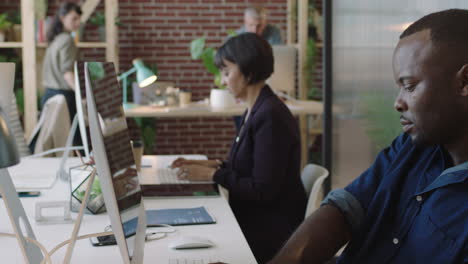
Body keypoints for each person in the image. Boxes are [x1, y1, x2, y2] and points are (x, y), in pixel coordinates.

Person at [269, 9, 468, 264]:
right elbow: (344, 209)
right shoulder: (412, 146)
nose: (398, 103)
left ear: (464, 82)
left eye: (409, 86)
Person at [171, 33, 307, 263]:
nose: (223, 81)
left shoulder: (270, 116)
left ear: (248, 72)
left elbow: (262, 190)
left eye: (227, 72)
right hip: (254, 218)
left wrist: (213, 174)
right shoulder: (255, 109)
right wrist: (209, 165)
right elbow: (250, 168)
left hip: (268, 230)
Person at [42, 2, 81, 122]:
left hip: (49, 96)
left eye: (79, 19)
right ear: (62, 18)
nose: (78, 22)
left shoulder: (55, 39)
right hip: (64, 99)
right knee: (73, 140)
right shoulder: (67, 40)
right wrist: (82, 95)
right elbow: (67, 72)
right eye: (74, 18)